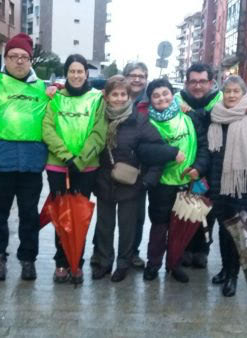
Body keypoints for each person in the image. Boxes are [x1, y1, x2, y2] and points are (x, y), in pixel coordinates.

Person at [91, 75, 182, 282]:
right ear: (106, 96)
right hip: (104, 179)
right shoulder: (99, 117)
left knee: (127, 227)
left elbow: (157, 153)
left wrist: (147, 181)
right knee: (105, 226)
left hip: (131, 183)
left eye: (123, 94)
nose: (120, 99)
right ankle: (105, 262)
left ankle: (123, 264)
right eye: (115, 94)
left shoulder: (139, 120)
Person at [0, 33, 50, 282]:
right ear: (5, 59)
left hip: (31, 164)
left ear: (31, 61)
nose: (19, 61)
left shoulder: (44, 89)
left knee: (29, 215)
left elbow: (53, 122)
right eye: (14, 56)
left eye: (24, 57)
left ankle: (28, 259)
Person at [176, 63, 247, 269]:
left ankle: (203, 251)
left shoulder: (218, 104)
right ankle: (185, 250)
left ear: (211, 83)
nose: (198, 86)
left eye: (202, 81)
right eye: (193, 81)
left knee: (209, 214)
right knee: (187, 211)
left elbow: (240, 102)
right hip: (185, 169)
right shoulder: (177, 102)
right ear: (187, 83)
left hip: (215, 171)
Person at [206, 75, 247, 297]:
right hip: (219, 184)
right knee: (225, 231)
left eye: (236, 91)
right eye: (228, 91)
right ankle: (225, 269)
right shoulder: (215, 115)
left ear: (244, 93)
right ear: (222, 94)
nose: (232, 95)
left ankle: (233, 277)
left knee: (240, 233)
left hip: (245, 186)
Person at [42, 54, 107, 284]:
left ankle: (75, 262)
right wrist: (67, 157)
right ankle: (61, 261)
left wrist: (80, 160)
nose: (76, 75)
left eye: (80, 71)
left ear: (86, 74)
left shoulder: (97, 99)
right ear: (66, 73)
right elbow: (47, 129)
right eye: (72, 71)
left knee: (79, 217)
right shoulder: (56, 97)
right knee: (62, 216)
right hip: (58, 167)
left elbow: (99, 134)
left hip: (86, 168)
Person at [143, 78, 209, 283]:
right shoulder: (147, 121)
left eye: (165, 93)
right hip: (161, 184)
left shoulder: (190, 116)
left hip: (187, 183)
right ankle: (153, 264)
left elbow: (204, 146)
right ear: (151, 100)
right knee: (159, 226)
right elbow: (144, 151)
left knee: (180, 227)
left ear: (173, 95)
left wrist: (198, 167)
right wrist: (170, 152)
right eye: (156, 95)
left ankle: (175, 264)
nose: (161, 98)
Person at [123, 62, 151, 269]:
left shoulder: (150, 103)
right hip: (113, 165)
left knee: (137, 215)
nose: (137, 79)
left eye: (141, 76)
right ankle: (100, 252)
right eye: (133, 75)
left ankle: (133, 252)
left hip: (141, 167)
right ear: (125, 77)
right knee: (106, 215)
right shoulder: (114, 96)